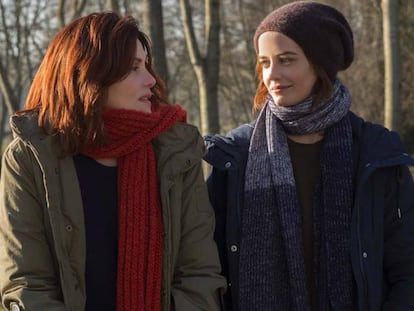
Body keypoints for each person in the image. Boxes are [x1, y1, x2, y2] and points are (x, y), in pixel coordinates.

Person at [0, 11, 226, 311]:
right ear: (91, 75)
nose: (151, 80)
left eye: (146, 65)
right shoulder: (31, 157)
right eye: (133, 68)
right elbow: (27, 284)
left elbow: (199, 276)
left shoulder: (176, 153)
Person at [204, 1, 414, 311]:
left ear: (320, 64)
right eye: (264, 62)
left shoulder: (373, 152)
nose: (271, 75)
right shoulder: (235, 156)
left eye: (286, 60)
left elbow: (406, 268)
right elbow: (210, 271)